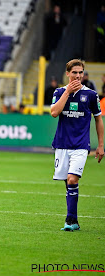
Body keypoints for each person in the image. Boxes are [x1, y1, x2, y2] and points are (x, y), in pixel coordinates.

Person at [50, 59, 104, 231]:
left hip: (81, 146)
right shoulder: (59, 92)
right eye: (74, 72)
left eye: (81, 72)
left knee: (72, 179)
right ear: (67, 73)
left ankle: (70, 219)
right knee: (68, 183)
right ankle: (74, 221)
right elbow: (54, 113)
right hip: (62, 145)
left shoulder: (90, 95)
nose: (78, 76)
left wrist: (101, 145)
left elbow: (98, 120)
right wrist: (67, 92)